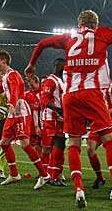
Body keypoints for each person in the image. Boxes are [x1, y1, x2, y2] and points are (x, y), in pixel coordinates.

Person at [25, 9, 112, 209]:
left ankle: (78, 189)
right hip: (92, 93)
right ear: (95, 23)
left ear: (79, 23)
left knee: (74, 144)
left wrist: (32, 65)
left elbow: (42, 44)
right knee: (108, 140)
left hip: (70, 96)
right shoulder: (102, 33)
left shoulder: (69, 37)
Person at [0, 50, 49, 190]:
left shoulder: (13, 74)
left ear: (4, 61)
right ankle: (14, 174)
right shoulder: (6, 76)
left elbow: (14, 91)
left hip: (19, 110)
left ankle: (44, 174)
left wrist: (12, 104)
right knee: (4, 142)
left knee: (25, 143)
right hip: (12, 111)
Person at [39, 58, 67, 187]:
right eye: (64, 66)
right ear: (58, 66)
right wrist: (59, 110)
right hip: (52, 118)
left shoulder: (61, 81)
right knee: (56, 146)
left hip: (60, 119)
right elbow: (44, 100)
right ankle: (51, 176)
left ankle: (53, 175)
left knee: (59, 147)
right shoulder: (50, 81)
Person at [24, 74, 43, 169]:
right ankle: (42, 169)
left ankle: (54, 170)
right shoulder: (26, 95)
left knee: (47, 147)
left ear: (37, 81)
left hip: (43, 124)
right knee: (35, 147)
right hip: (30, 126)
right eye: (28, 83)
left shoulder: (43, 94)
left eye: (31, 83)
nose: (29, 85)